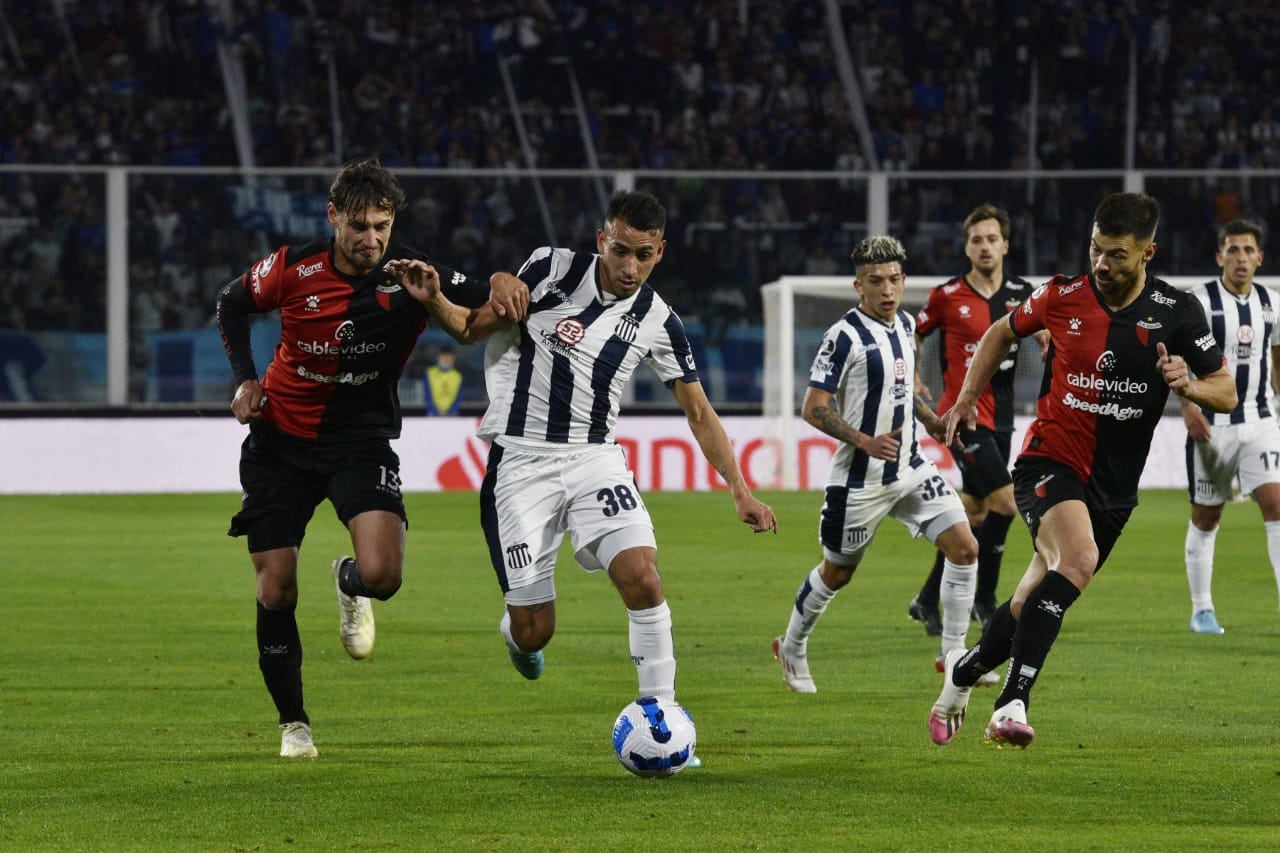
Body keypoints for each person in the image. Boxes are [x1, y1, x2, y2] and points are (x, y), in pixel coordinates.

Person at [393, 189, 776, 710]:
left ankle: (661, 718)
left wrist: (740, 489)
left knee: (642, 577)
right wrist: (437, 298)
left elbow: (700, 412)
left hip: (594, 457)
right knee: (534, 630)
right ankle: (517, 634)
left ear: (659, 252)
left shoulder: (659, 321)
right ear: (603, 240)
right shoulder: (551, 268)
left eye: (644, 255)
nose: (630, 266)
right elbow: (467, 328)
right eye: (620, 250)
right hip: (521, 462)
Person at [215, 157, 528, 759]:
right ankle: (294, 725)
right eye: (359, 225)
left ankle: (347, 580)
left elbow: (483, 301)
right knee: (275, 589)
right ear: (334, 217)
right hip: (279, 442)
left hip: (358, 442)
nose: (372, 239)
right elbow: (231, 302)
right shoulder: (291, 267)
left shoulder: (411, 274)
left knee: (383, 576)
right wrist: (243, 381)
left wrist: (502, 276)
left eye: (382, 225)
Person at [929, 192, 1236, 749]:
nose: (1102, 264)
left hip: (1114, 488)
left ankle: (962, 673)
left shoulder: (1179, 312)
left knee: (1029, 602)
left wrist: (1187, 385)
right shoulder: (1061, 295)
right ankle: (1010, 704)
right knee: (1078, 558)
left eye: (1117, 254)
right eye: (1096, 249)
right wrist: (968, 395)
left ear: (1148, 253)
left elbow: (1227, 391)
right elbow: (1001, 332)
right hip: (1049, 459)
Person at [769, 235, 979, 704]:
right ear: (858, 285)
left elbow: (909, 394)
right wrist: (864, 440)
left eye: (894, 280)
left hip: (910, 468)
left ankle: (954, 657)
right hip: (859, 481)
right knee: (837, 573)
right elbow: (813, 407)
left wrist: (935, 423)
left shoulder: (906, 325)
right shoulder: (842, 337)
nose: (887, 290)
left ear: (904, 281)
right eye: (875, 281)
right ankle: (792, 645)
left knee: (965, 547)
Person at [909, 204, 1039, 659]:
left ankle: (927, 600)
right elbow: (915, 332)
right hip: (959, 418)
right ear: (967, 247)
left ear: (1005, 245)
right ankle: (985, 598)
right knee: (1006, 502)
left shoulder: (1023, 293)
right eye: (976, 240)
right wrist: (915, 377)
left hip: (1002, 418)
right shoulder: (946, 295)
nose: (984, 247)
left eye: (992, 239)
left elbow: (1050, 336)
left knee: (976, 513)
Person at [1182, 219, 1280, 634]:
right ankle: (1202, 610)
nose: (1241, 258)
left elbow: (1276, 361)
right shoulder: (1198, 302)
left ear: (1260, 257)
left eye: (1248, 250)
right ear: (1219, 256)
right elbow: (1177, 361)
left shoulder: (1272, 304)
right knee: (1207, 517)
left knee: (1276, 506)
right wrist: (1188, 407)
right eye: (1233, 250)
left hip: (1261, 419)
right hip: (1213, 424)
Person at [424, 344, 463, 415]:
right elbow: (427, 395)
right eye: (444, 356)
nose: (446, 359)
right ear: (438, 357)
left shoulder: (458, 376)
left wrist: (450, 412)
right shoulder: (429, 373)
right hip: (432, 413)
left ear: (453, 358)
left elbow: (459, 397)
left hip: (452, 413)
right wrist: (435, 411)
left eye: (449, 356)